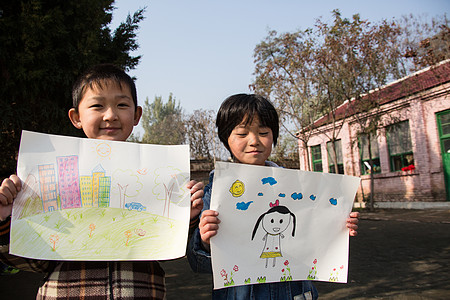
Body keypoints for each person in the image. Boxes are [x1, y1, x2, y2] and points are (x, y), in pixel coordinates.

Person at [0, 64, 204, 299]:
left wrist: (185, 219)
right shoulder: (50, 180)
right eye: (97, 105)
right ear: (76, 117)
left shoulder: (159, 178)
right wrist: (6, 220)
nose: (110, 115)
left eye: (122, 105)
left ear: (136, 115)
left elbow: (169, 251)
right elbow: (29, 262)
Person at [187, 93, 360, 300]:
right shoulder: (214, 194)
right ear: (226, 139)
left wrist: (338, 226)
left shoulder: (300, 190)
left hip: (295, 294)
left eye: (263, 132)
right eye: (242, 134)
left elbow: (314, 238)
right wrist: (206, 242)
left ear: (273, 136)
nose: (254, 141)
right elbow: (199, 264)